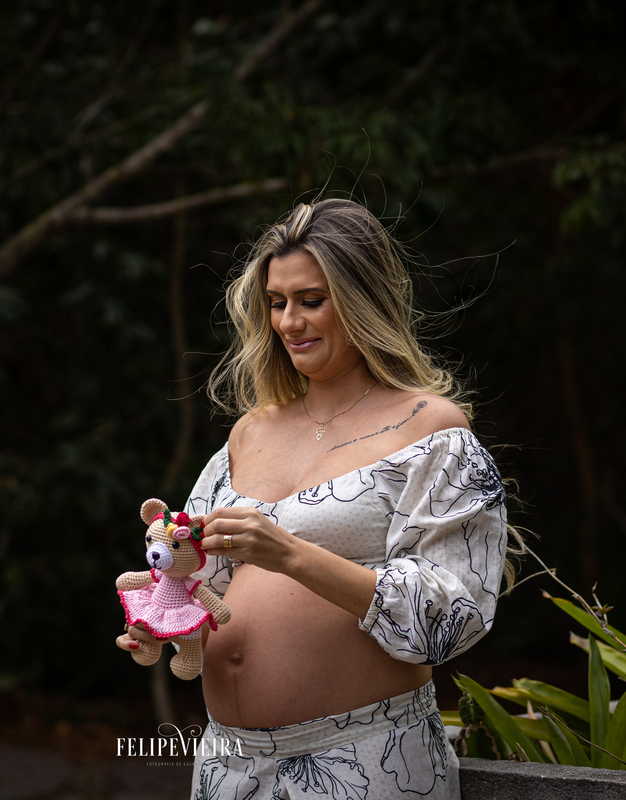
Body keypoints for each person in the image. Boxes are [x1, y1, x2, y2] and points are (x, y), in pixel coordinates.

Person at [115, 198, 515, 800]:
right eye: (277, 303)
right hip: (228, 765)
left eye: (311, 301)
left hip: (363, 761)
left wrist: (293, 555)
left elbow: (451, 618)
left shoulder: (429, 429)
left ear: (362, 300)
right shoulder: (251, 431)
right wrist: (168, 623)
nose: (289, 322)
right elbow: (208, 585)